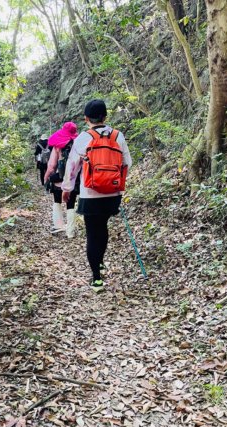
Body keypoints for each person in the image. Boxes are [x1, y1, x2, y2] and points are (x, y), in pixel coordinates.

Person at [61, 100, 132, 292]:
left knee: (93, 233)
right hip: (112, 193)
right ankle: (100, 261)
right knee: (103, 227)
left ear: (86, 119)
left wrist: (66, 189)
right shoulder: (118, 136)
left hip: (90, 194)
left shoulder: (83, 138)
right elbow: (127, 163)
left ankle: (97, 278)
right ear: (105, 117)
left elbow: (72, 167)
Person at [44, 122, 79, 236]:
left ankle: (59, 226)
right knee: (71, 205)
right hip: (72, 180)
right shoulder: (77, 144)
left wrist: (46, 177)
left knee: (57, 202)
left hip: (59, 179)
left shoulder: (57, 145)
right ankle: (70, 232)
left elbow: (51, 165)